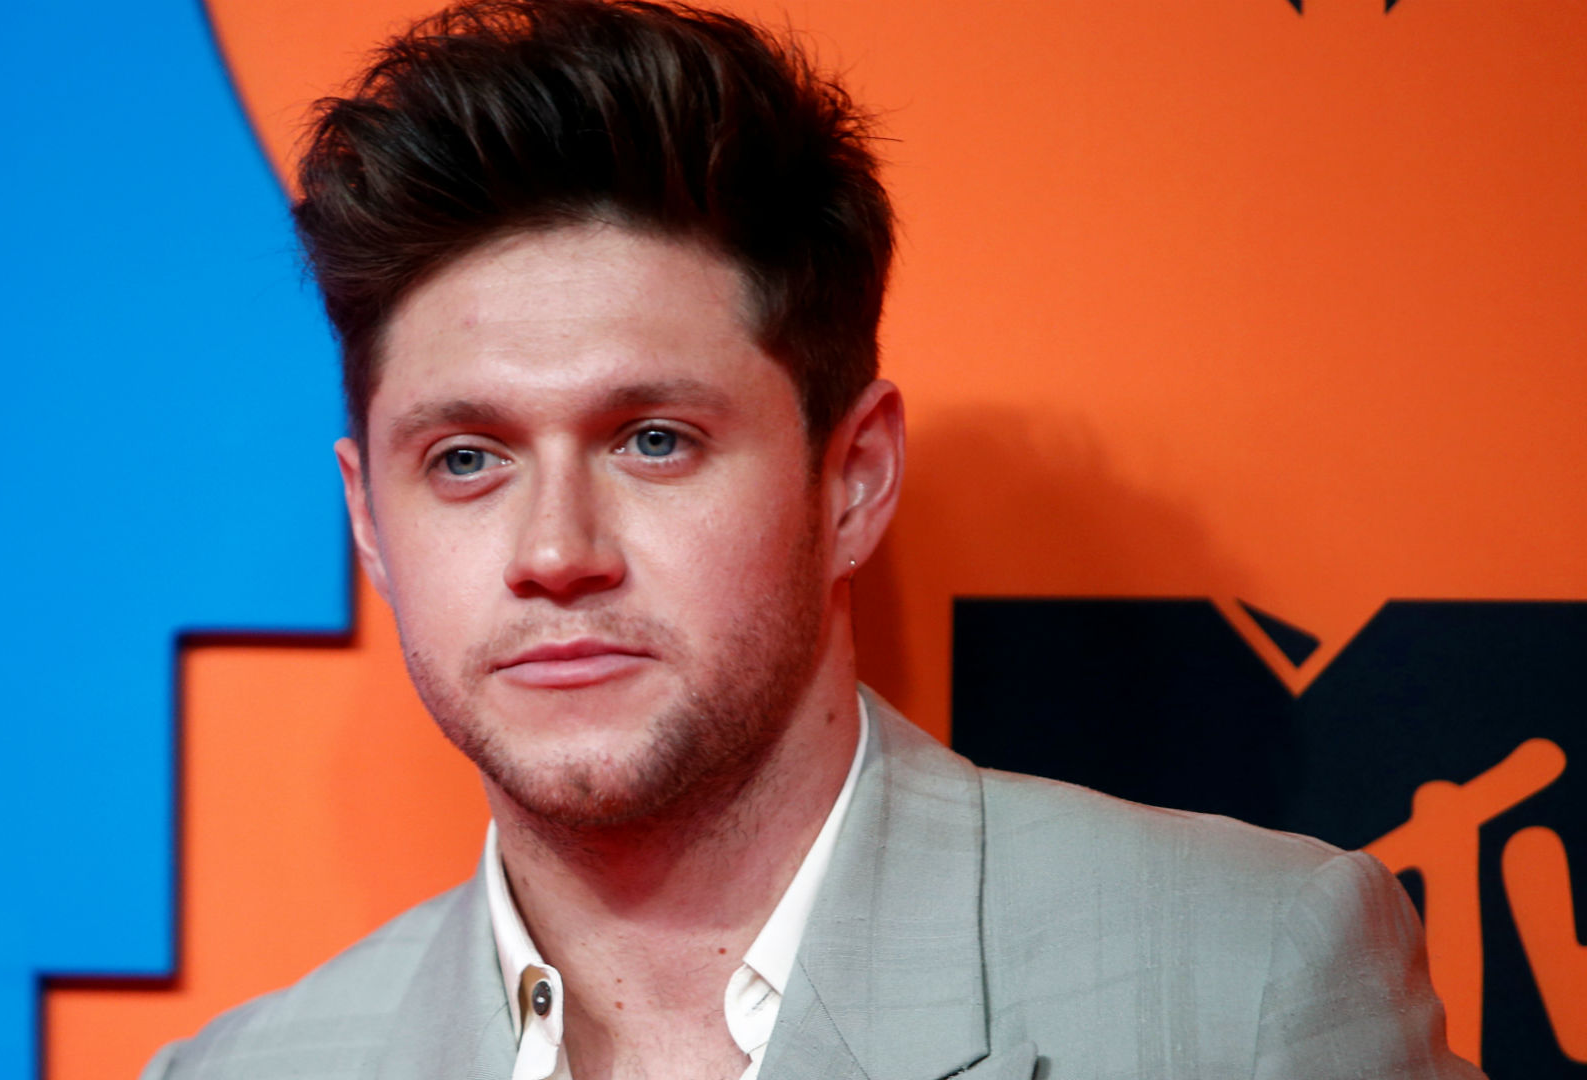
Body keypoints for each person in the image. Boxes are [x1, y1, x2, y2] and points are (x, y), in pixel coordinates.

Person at [144, 2, 1483, 1077]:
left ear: (853, 479)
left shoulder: (1246, 986)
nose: (555, 551)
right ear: (371, 525)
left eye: (652, 439)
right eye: (466, 459)